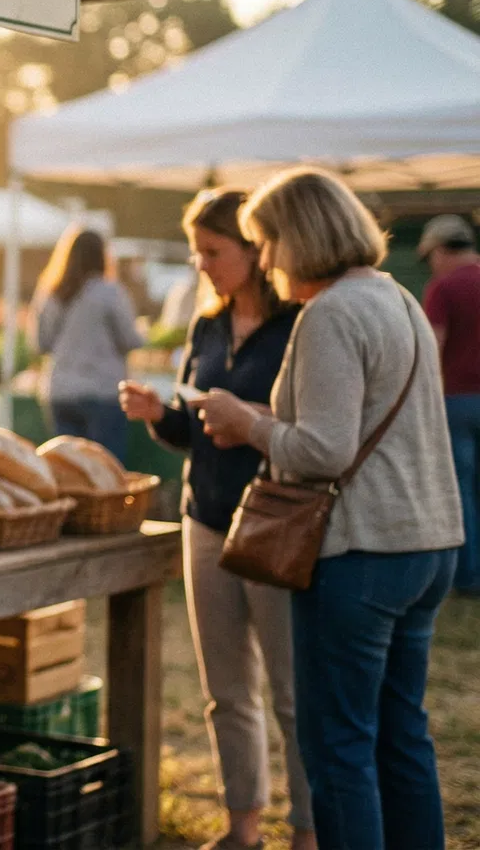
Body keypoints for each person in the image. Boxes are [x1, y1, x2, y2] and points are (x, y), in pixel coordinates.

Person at [198, 168, 461, 850]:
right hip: (427, 543)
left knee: (337, 746)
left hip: (362, 555)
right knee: (402, 735)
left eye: (267, 241)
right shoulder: (397, 297)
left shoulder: (331, 314)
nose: (267, 260)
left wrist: (244, 423)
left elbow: (322, 449)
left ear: (298, 237)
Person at [119, 189, 310, 850]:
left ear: (257, 249)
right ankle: (243, 827)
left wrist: (251, 425)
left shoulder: (300, 327)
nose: (201, 263)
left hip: (279, 522)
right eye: (196, 251)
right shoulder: (206, 325)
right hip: (205, 520)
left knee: (292, 693)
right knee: (225, 689)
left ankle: (308, 833)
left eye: (212, 250)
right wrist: (159, 415)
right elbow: (192, 428)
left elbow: (316, 434)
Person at [33, 226, 142, 461]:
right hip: (101, 392)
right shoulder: (109, 292)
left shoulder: (52, 292)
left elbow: (42, 343)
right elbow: (130, 339)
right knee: (105, 468)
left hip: (60, 391)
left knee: (68, 468)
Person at [419, 214, 480, 593]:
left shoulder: (442, 288)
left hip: (456, 402)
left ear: (442, 250)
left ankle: (469, 578)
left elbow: (432, 348)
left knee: (460, 492)